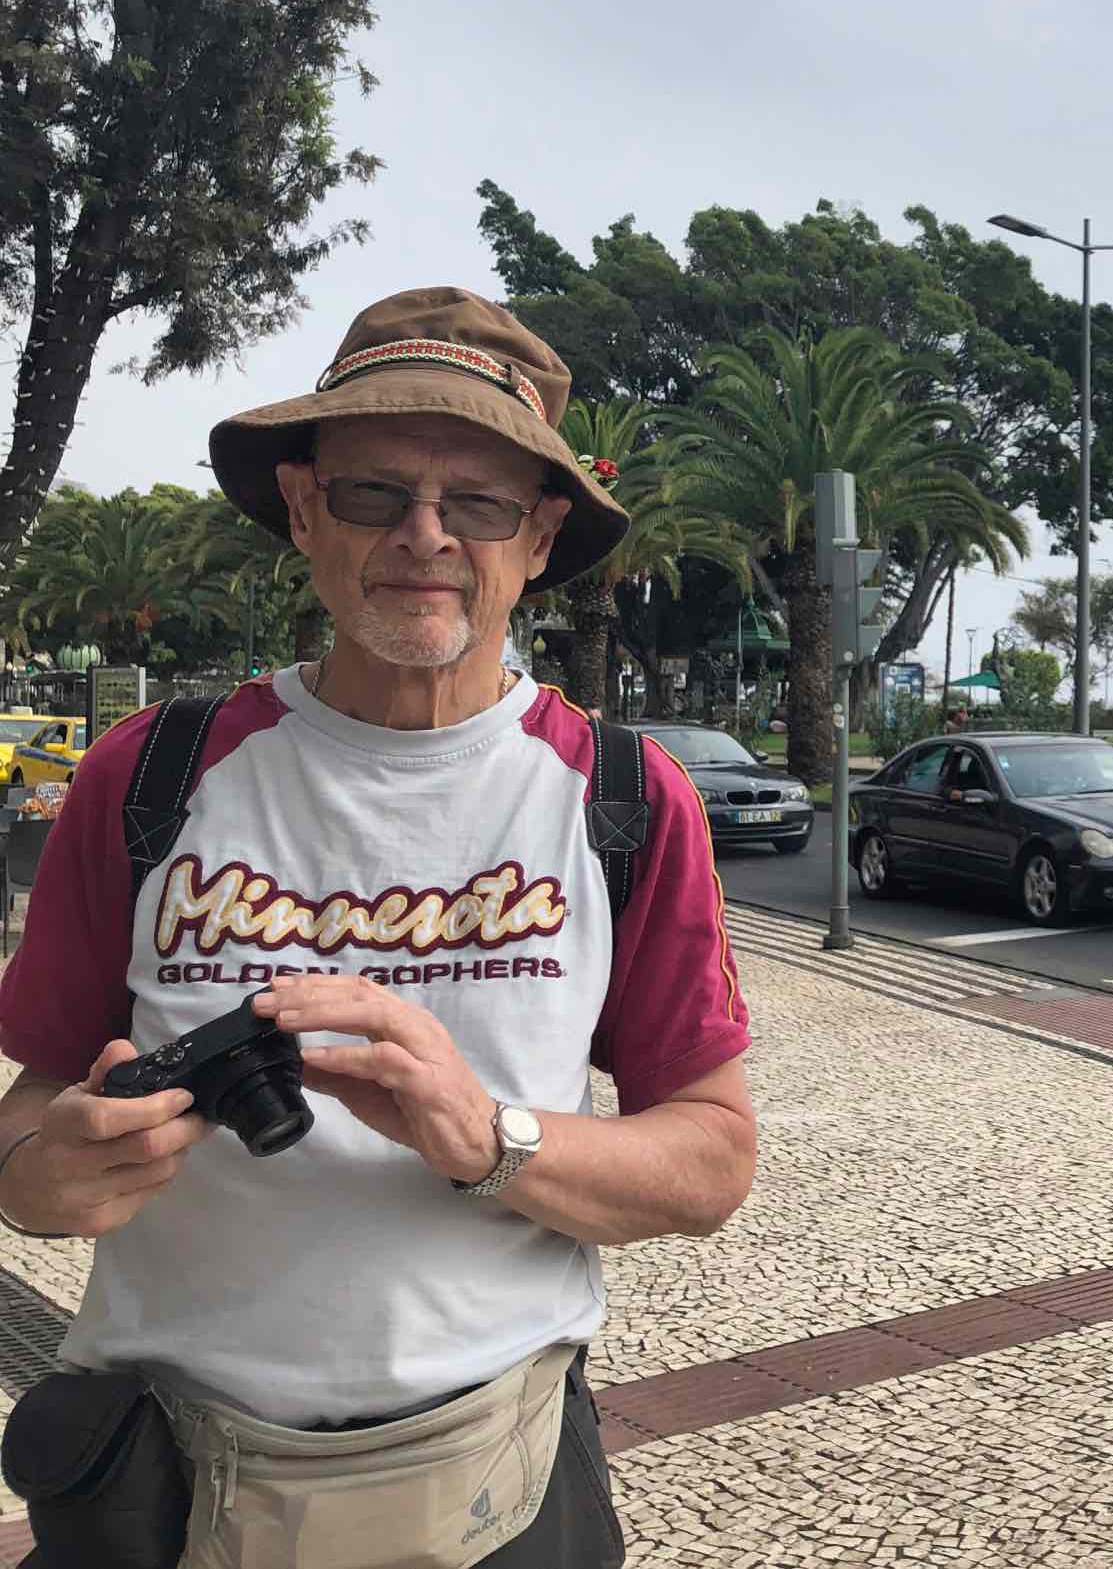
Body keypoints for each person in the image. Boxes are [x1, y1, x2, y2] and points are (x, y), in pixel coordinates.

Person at [0, 289, 757, 1565]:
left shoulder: (622, 798)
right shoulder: (149, 772)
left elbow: (712, 1157)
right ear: (303, 508)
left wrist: (492, 1136)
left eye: (479, 503)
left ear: (539, 535)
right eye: (374, 493)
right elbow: (28, 1110)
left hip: (497, 1477)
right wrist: (40, 1174)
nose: (425, 535)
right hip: (163, 1480)